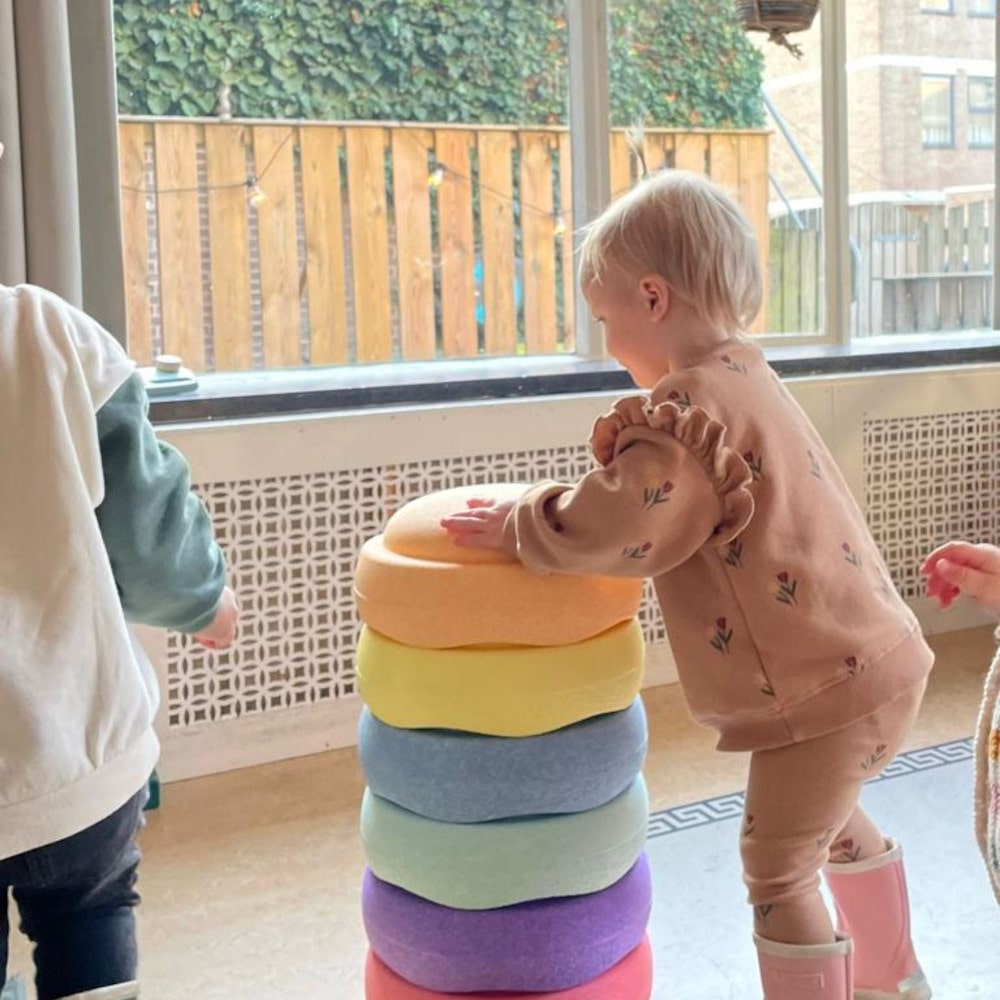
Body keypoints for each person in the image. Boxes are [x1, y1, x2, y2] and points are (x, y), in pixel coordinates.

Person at [442, 169, 934, 1000]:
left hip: (824, 689)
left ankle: (884, 984)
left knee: (776, 872)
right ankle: (897, 981)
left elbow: (630, 522)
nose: (608, 342)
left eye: (607, 318)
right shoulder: (745, 371)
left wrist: (527, 522)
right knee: (827, 825)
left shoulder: (688, 407)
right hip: (880, 664)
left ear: (652, 298)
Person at [0, 264, 238, 996]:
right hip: (81, 749)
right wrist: (207, 603)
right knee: (89, 917)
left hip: (81, 751)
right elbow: (149, 534)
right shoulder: (45, 332)